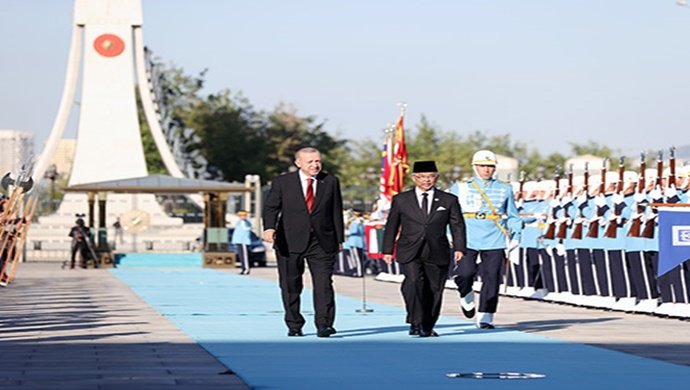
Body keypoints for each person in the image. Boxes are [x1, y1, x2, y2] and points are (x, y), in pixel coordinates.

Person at [263, 147, 344, 338]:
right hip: (289, 241)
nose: (315, 165)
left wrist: (339, 239)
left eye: (318, 161)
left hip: (321, 241)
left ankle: (324, 324)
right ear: (298, 163)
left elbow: (336, 211)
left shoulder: (330, 181)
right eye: (310, 162)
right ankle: (294, 324)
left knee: (324, 284)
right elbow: (271, 208)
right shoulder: (283, 182)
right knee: (290, 284)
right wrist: (269, 228)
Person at [382, 161, 466, 337]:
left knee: (434, 288)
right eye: (423, 177)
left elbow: (457, 225)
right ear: (414, 178)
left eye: (431, 176)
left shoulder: (448, 199)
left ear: (436, 177)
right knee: (413, 283)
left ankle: (427, 324)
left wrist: (460, 248)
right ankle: (415, 320)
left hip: (437, 250)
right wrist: (387, 250)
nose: (427, 180)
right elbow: (392, 225)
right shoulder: (401, 199)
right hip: (410, 249)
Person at [450, 150, 522, 329]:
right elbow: (451, 215)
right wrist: (449, 235)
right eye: (483, 166)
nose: (487, 170)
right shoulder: (461, 187)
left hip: (494, 236)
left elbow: (513, 215)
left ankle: (486, 315)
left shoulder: (504, 188)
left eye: (490, 166)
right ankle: (465, 293)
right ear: (474, 167)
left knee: (492, 277)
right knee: (465, 273)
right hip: (467, 236)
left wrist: (516, 235)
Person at [231, 210, 253, 275]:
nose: (242, 217)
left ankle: (246, 269)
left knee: (244, 256)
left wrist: (245, 221)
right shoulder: (239, 222)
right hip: (239, 241)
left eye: (243, 215)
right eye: (240, 216)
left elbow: (247, 228)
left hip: (243, 241)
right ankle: (243, 268)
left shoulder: (247, 222)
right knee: (241, 256)